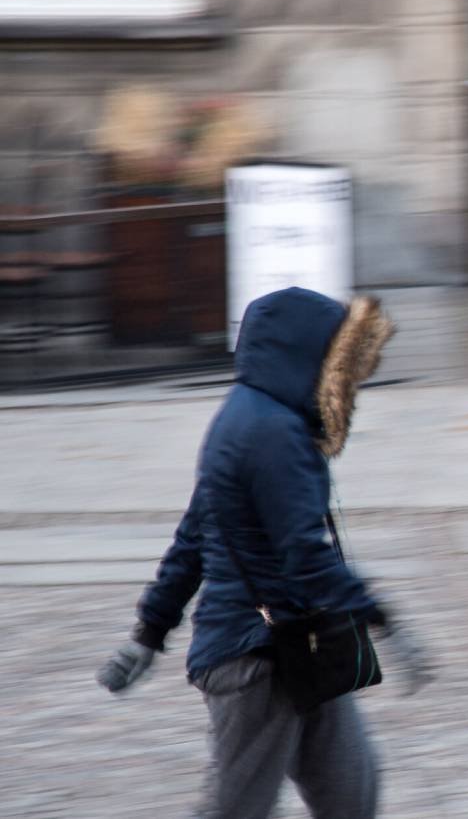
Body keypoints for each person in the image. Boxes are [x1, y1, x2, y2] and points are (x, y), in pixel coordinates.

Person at [95, 287, 432, 819]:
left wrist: (148, 634)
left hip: (301, 645)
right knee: (237, 809)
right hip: (252, 662)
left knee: (353, 795)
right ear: (306, 354)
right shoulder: (270, 433)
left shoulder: (247, 419)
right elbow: (305, 556)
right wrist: (386, 621)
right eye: (336, 360)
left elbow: (190, 541)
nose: (344, 381)